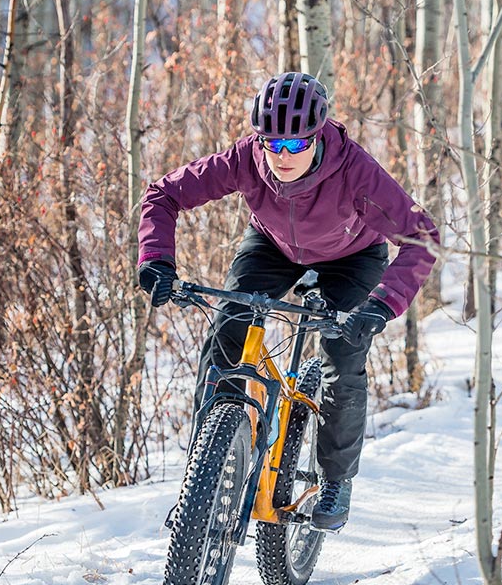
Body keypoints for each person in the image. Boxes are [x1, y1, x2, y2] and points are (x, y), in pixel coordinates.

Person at [136, 71, 440, 532]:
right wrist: (156, 260)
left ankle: (336, 479)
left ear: (317, 137)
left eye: (295, 145)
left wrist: (379, 306)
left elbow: (423, 238)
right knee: (227, 332)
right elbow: (164, 193)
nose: (281, 155)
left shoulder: (355, 171)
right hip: (272, 248)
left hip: (352, 258)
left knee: (342, 353)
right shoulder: (246, 158)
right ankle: (208, 471)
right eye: (271, 143)